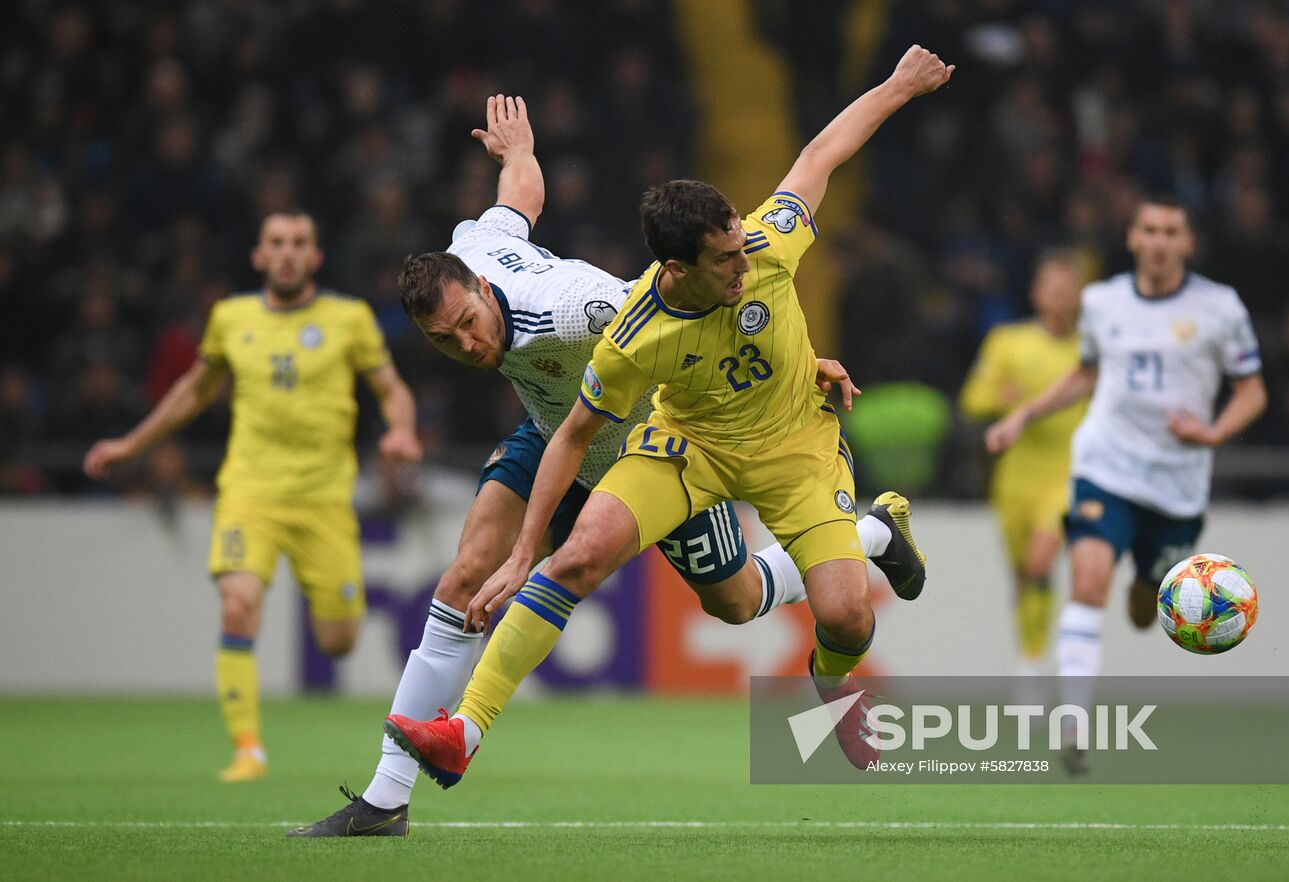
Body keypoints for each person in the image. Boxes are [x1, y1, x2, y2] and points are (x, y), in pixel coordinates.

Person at [288, 96, 922, 836]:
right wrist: (518, 153)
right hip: (556, 427)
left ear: (487, 296)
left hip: (658, 434)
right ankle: (386, 798)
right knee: (467, 578)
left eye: (469, 325)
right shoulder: (476, 252)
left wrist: (800, 362)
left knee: (738, 600)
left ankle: (870, 535)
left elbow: (687, 318)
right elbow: (517, 201)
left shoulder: (583, 308)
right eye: (445, 340)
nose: (466, 345)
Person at [83, 211, 422, 782]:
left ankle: (274, 712)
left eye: (299, 244)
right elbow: (194, 391)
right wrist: (132, 444)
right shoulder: (231, 318)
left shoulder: (349, 319)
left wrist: (402, 430)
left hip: (323, 500)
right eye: (276, 244)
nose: (287, 253)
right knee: (238, 602)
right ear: (258, 257)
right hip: (249, 492)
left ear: (315, 257)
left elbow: (391, 389)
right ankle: (247, 750)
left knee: (340, 640)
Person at [984, 196, 1267, 772]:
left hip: (1177, 484)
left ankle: (1148, 586)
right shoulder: (1101, 301)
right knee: (1087, 582)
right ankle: (1075, 726)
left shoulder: (1220, 308)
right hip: (1105, 466)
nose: (1160, 241)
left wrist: (1213, 435)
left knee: (1145, 608)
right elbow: (1087, 373)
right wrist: (1022, 415)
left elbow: (1252, 391)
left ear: (1188, 244)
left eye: (1172, 232)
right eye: (1149, 230)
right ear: (1133, 239)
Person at [959, 250, 1085, 675]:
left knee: (1038, 561)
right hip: (1016, 479)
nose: (1060, 296)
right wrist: (1001, 398)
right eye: (1052, 286)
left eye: (1068, 289)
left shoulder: (1090, 352)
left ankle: (1033, 663)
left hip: (1069, 476)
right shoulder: (1007, 342)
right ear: (1036, 292)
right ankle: (1031, 658)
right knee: (1023, 577)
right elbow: (972, 399)